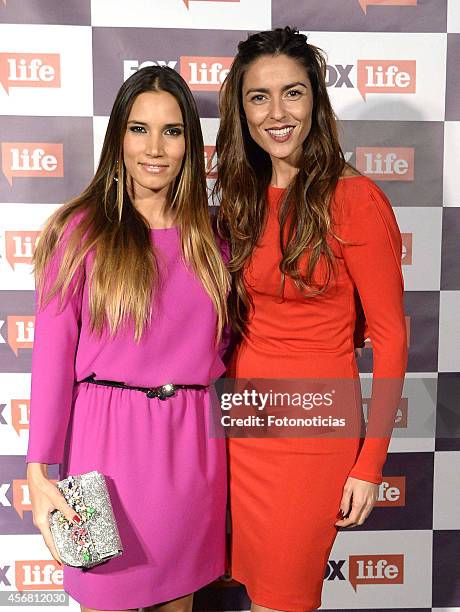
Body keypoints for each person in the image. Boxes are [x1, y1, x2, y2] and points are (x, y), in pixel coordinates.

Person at [214, 27, 408, 612]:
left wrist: (369, 465)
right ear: (240, 110)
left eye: (292, 93)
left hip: (311, 434)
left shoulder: (354, 200)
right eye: (258, 97)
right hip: (234, 427)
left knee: (283, 600)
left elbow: (394, 341)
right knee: (226, 591)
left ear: (316, 100)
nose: (277, 113)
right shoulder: (239, 197)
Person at [26, 65, 230, 612]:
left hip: (192, 450)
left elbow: (233, 346)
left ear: (191, 140)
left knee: (178, 605)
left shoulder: (215, 240)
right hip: (103, 450)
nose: (155, 148)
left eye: (172, 130)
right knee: (103, 599)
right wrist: (37, 468)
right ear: (118, 136)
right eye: (139, 129)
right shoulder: (78, 232)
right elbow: (51, 358)